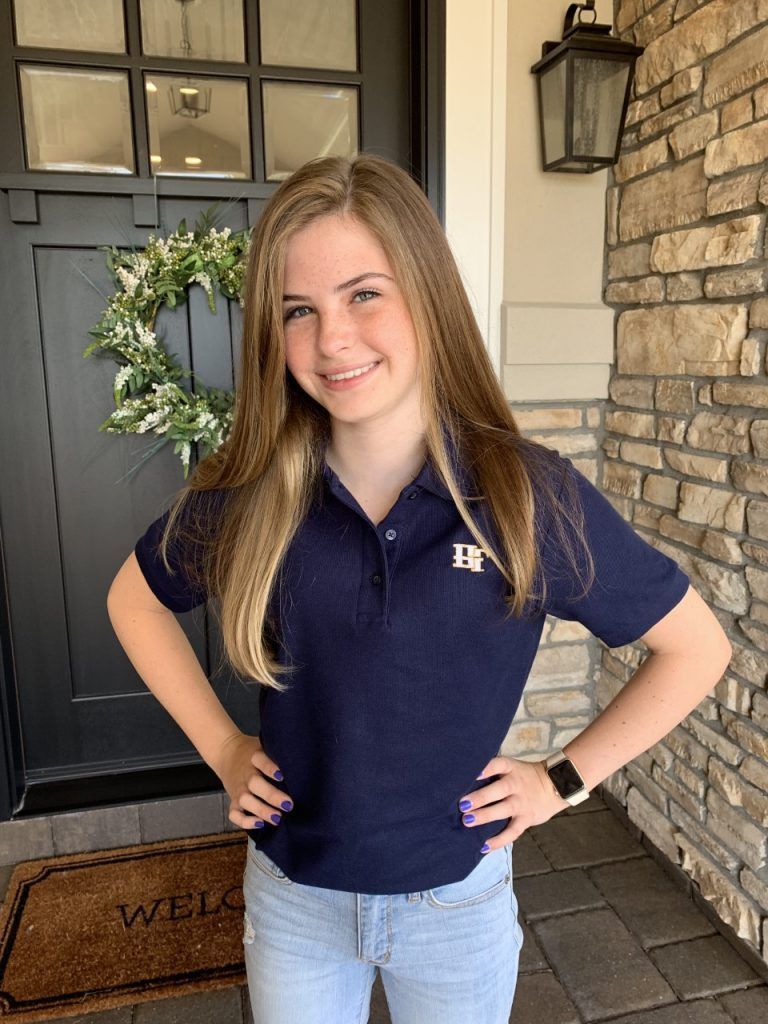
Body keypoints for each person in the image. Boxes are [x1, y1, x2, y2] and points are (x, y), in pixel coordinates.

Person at [107, 153, 732, 1024]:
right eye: (299, 310)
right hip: (295, 899)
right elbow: (132, 601)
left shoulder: (527, 495)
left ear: (428, 297)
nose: (332, 338)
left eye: (365, 293)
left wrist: (562, 780)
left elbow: (697, 647)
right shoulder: (248, 492)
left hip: (456, 904)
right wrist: (220, 747)